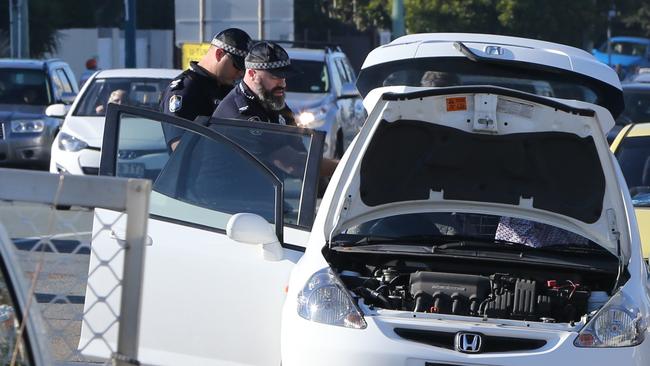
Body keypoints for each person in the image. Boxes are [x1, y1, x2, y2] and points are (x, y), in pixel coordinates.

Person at [210, 41, 337, 177]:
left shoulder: (271, 101)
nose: (282, 83)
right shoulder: (241, 114)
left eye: (284, 77)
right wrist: (347, 168)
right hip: (224, 194)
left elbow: (300, 152)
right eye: (275, 76)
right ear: (252, 73)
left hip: (256, 190)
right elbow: (291, 164)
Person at [161, 28, 252, 150]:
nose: (241, 73)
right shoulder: (185, 90)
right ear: (219, 54)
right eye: (238, 65)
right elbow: (180, 148)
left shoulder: (228, 88)